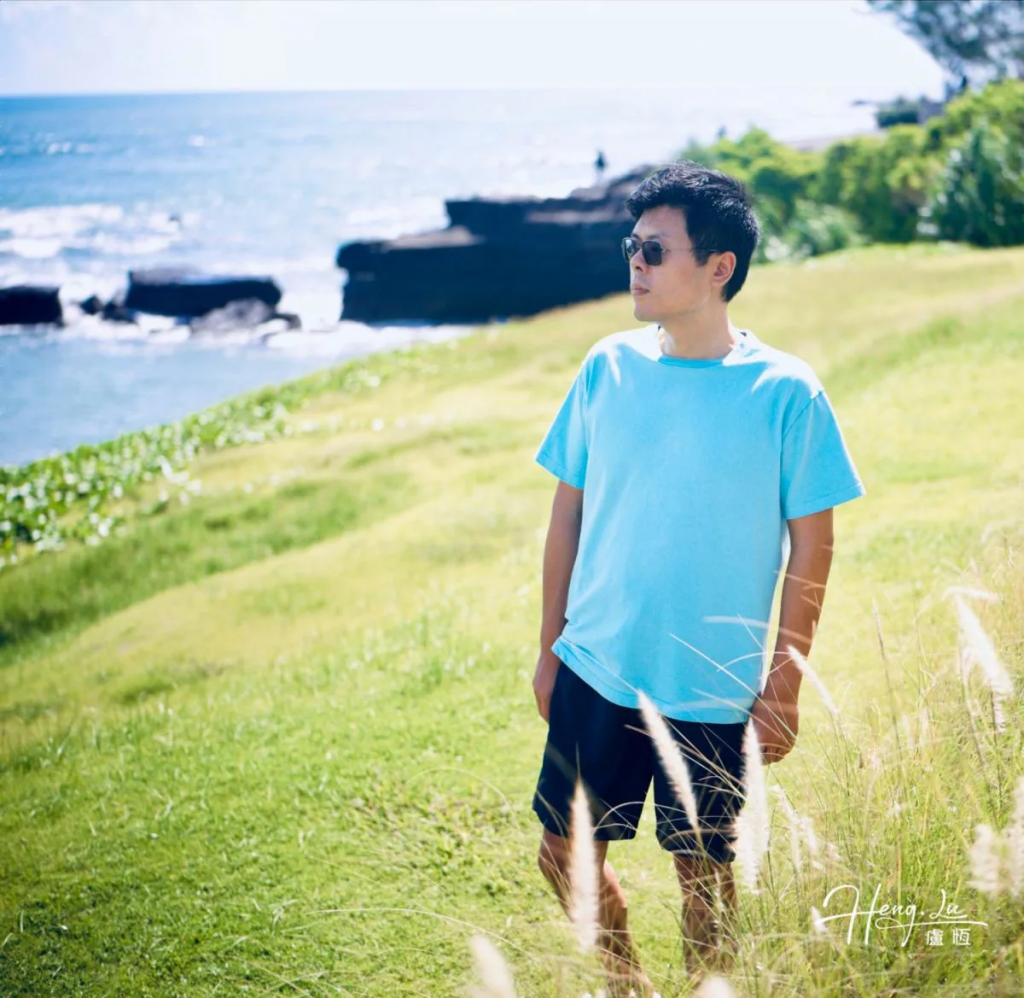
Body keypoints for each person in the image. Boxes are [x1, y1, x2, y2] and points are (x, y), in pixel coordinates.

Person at [530, 161, 866, 995]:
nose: (635, 264)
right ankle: (629, 986)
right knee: (563, 853)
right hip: (597, 664)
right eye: (631, 247)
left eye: (655, 250)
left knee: (706, 880)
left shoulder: (787, 392)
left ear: (720, 267)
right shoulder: (606, 366)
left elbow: (814, 547)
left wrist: (784, 684)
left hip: (712, 685)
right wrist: (550, 648)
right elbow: (566, 514)